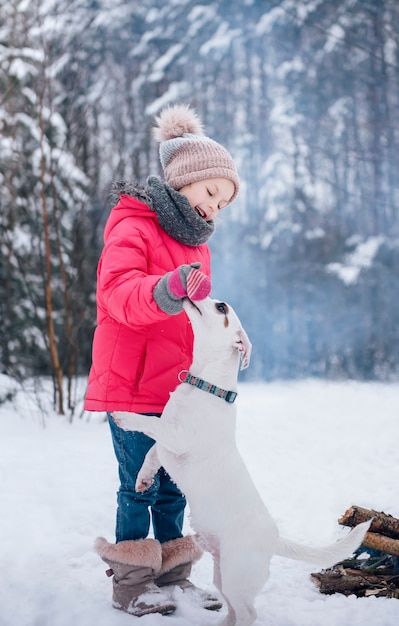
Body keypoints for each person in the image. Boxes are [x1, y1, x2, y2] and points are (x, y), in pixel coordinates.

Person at [84, 104, 240, 616]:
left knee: (175, 487)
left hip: (179, 391)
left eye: (225, 202)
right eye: (212, 193)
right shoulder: (133, 222)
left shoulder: (196, 243)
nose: (216, 208)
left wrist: (227, 339)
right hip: (132, 386)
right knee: (139, 487)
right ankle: (131, 583)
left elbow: (197, 317)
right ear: (184, 180)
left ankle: (174, 575)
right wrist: (165, 287)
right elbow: (117, 294)